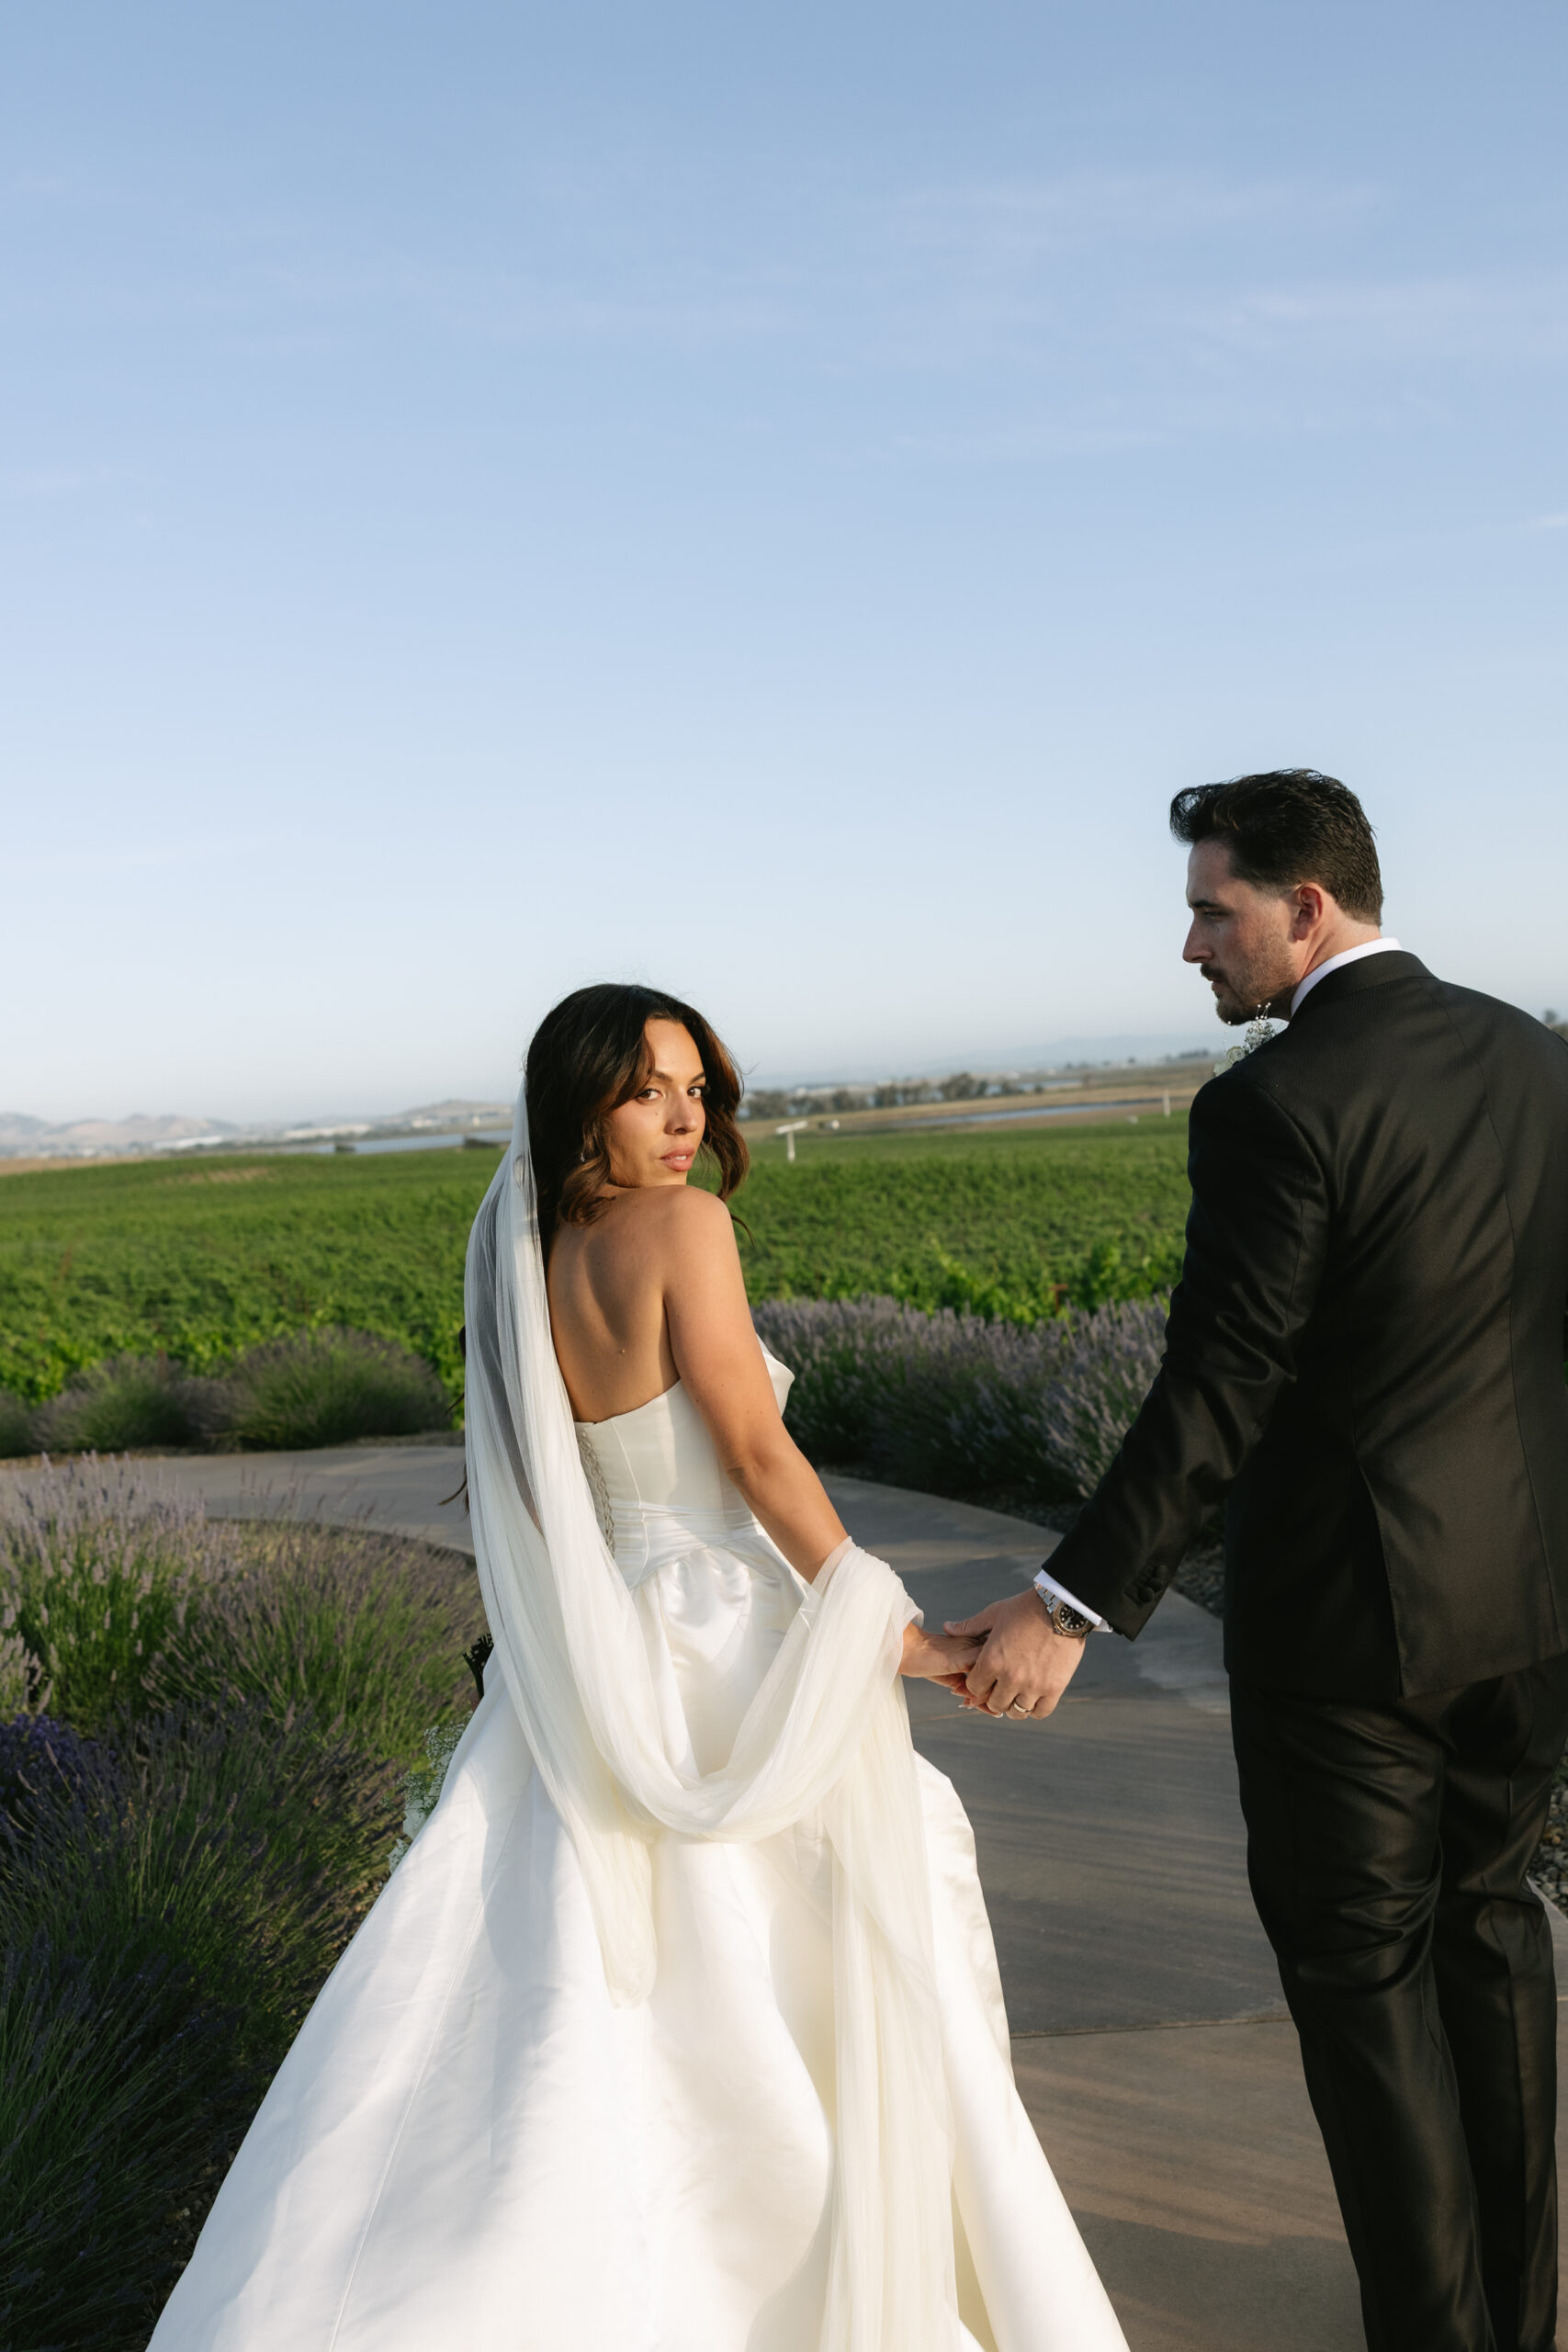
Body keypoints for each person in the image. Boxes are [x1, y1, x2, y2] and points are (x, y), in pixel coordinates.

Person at [148, 981, 1128, 2352]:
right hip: (724, 1626)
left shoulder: (527, 1254)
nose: (686, 1119)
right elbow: (752, 1448)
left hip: (610, 1643)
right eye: (647, 1088)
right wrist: (882, 1621)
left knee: (586, 1982)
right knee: (818, 1950)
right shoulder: (687, 1225)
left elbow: (552, 1498)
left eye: (698, 1089)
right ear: (578, 1104)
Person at [949, 771, 1568, 2352]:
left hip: (1352, 1640)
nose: (1192, 950)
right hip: (1537, 1605)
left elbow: (1221, 1389)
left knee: (1369, 1999)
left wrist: (1073, 1603)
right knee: (1494, 1940)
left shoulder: (1275, 1106)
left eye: (1211, 911)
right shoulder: (1534, 1058)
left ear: (1306, 905)